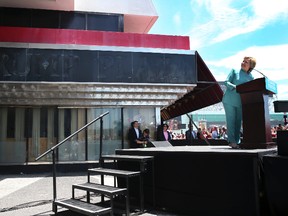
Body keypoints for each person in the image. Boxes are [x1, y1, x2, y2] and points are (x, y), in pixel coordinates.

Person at [222, 56, 256, 149]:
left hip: (241, 102)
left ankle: (237, 141)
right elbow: (226, 82)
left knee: (238, 122)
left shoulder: (251, 77)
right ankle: (232, 141)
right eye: (243, 61)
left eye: (246, 62)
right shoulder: (234, 71)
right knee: (231, 121)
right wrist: (235, 87)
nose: (243, 63)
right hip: (229, 100)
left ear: (251, 66)